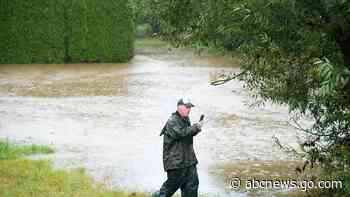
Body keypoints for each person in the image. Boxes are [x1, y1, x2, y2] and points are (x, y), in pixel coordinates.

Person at [157, 97, 203, 197]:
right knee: (170, 187)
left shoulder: (186, 119)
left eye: (190, 107)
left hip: (189, 161)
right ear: (179, 107)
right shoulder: (172, 121)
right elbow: (181, 133)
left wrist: (197, 128)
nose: (189, 109)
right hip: (176, 163)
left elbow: (187, 134)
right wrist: (196, 127)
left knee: (192, 185)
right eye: (186, 107)